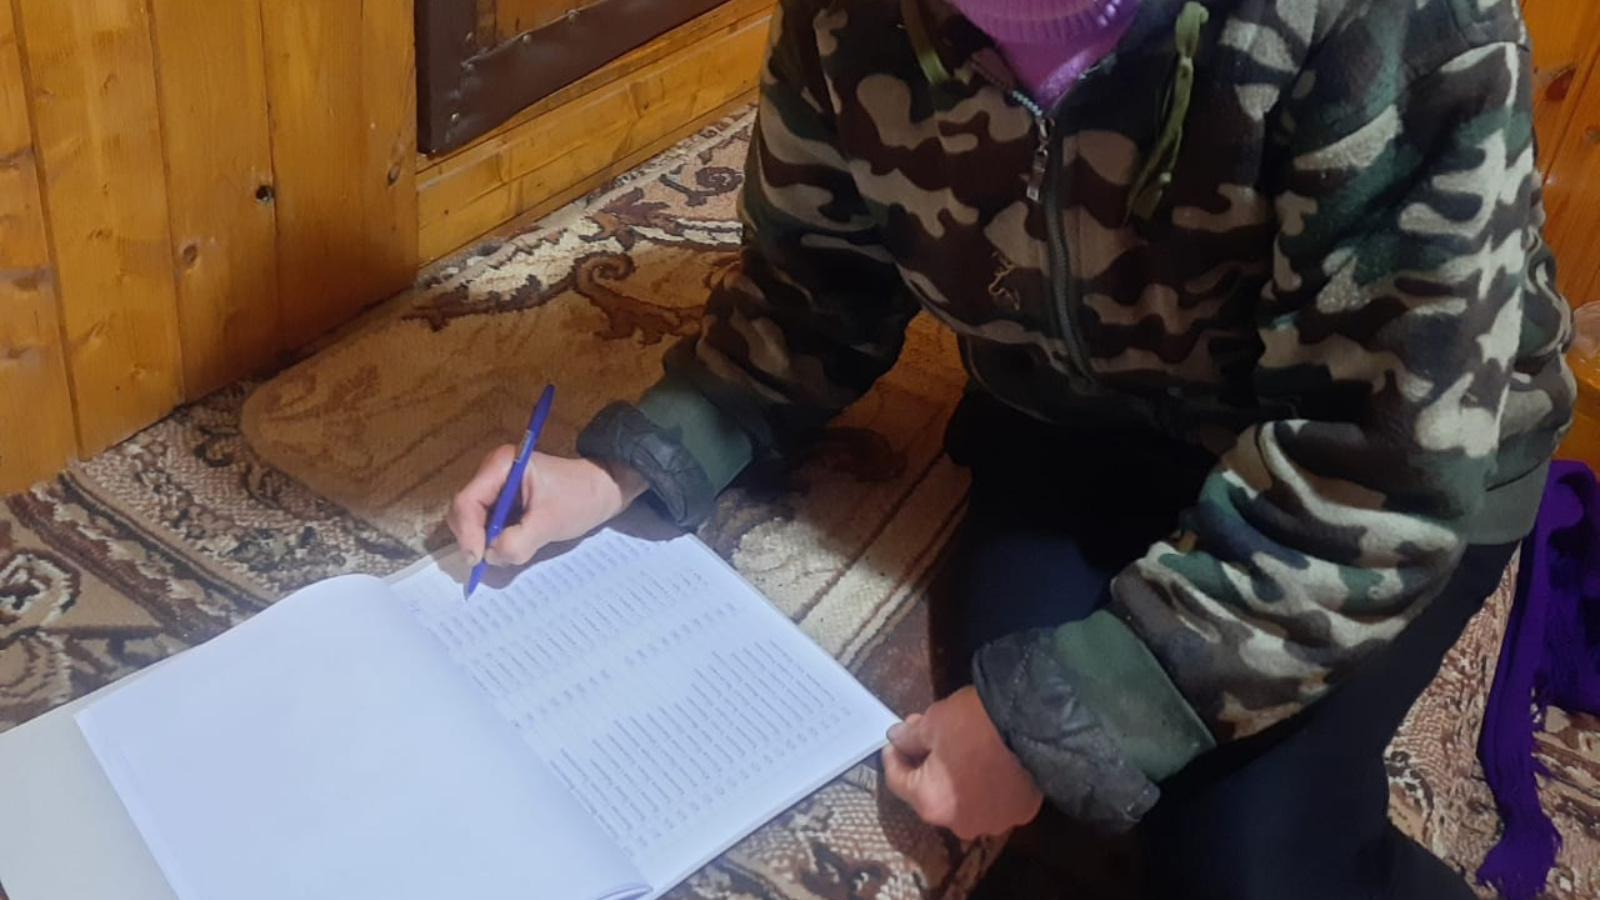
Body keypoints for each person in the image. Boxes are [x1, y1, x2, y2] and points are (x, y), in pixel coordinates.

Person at [447, 0, 1576, 896]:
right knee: (1026, 749)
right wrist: (627, 466)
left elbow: (1380, 471)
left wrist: (1087, 709)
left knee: (1243, 861)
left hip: (1384, 473)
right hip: (1070, 425)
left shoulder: (1401, 20)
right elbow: (813, 284)